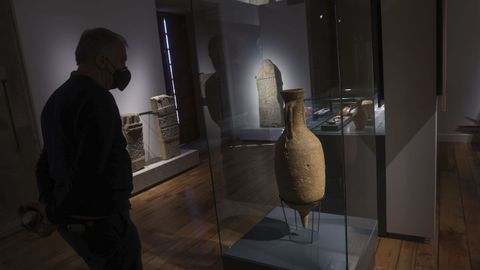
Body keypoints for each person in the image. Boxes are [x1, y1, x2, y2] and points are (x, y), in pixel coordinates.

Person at [34, 27, 142, 270]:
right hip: (101, 221)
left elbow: (44, 164)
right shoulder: (98, 99)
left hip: (77, 224)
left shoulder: (55, 100)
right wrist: (52, 214)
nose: (124, 68)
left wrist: (52, 209)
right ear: (103, 61)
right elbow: (88, 171)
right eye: (122, 60)